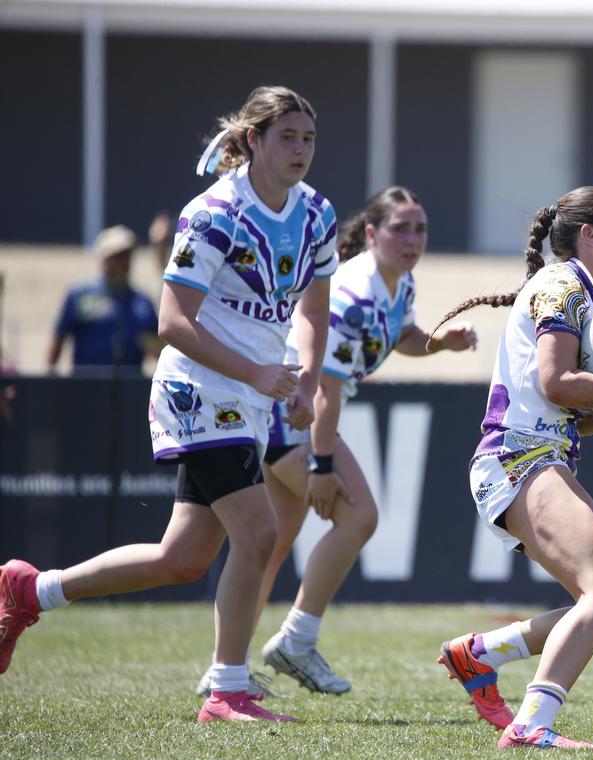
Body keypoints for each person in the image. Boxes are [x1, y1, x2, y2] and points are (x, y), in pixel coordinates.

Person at [0, 85, 338, 724]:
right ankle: (228, 690)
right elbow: (172, 322)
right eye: (287, 137)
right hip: (197, 390)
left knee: (182, 560)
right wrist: (259, 373)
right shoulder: (214, 213)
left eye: (309, 138)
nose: (300, 150)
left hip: (251, 395)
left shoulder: (317, 214)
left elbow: (314, 311)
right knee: (261, 531)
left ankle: (31, 589)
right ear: (253, 141)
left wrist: (307, 379)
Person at [194, 186, 478, 697]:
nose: (413, 239)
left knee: (273, 547)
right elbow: (323, 389)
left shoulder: (399, 283)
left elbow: (397, 335)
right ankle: (296, 642)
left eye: (420, 229)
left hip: (293, 415)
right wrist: (322, 466)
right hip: (292, 414)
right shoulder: (353, 294)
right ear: (371, 234)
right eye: (401, 228)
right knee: (359, 516)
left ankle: (223, 670)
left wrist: (438, 342)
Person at [432, 186, 593, 751]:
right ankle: (532, 726)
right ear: (589, 235)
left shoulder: (591, 302)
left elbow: (572, 414)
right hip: (517, 460)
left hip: (541, 455)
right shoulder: (562, 285)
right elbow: (554, 381)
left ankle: (481, 653)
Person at [48, 225, 161, 375]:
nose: (123, 262)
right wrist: (51, 376)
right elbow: (59, 337)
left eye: (127, 255)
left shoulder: (142, 302)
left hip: (131, 388)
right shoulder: (81, 295)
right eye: (117, 256)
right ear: (103, 259)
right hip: (85, 386)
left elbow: (159, 351)